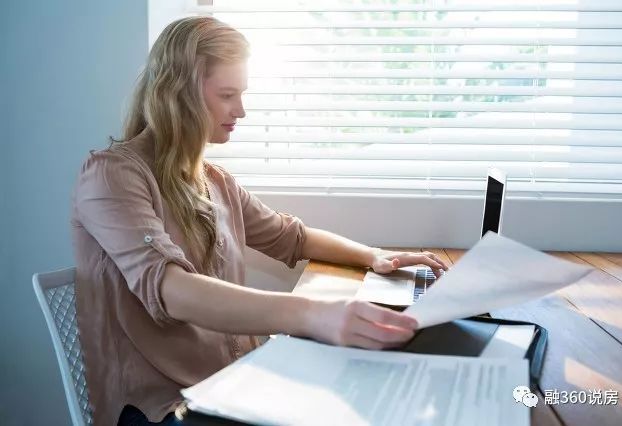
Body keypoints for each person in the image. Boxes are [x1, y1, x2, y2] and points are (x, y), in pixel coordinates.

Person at [71, 16, 448, 426]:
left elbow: (292, 237)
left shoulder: (213, 181)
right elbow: (172, 291)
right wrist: (310, 314)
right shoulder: (112, 176)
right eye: (227, 94)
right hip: (162, 403)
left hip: (235, 379)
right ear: (176, 94)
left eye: (242, 94)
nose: (242, 110)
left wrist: (377, 257)